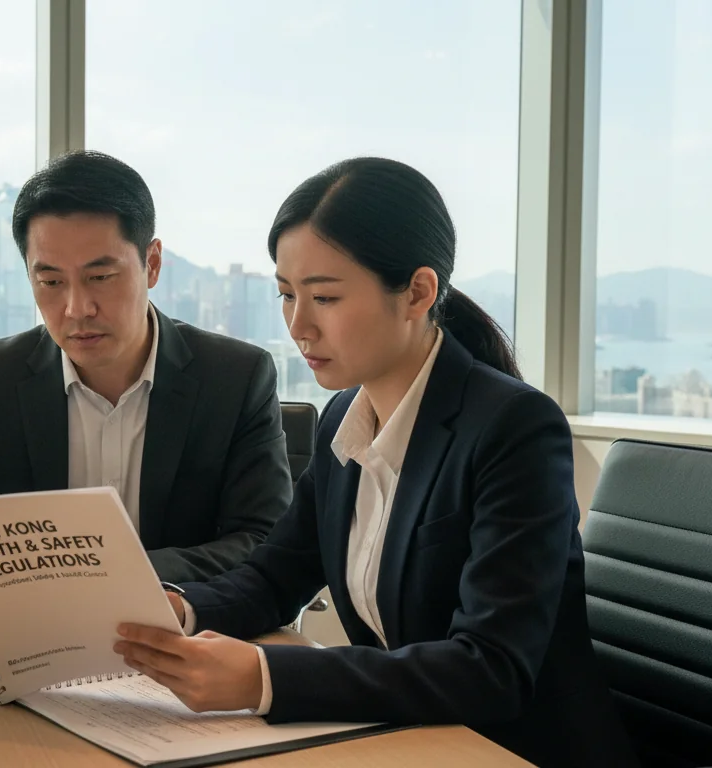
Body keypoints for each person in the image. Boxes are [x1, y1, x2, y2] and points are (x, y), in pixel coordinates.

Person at [112, 158, 639, 768]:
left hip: (509, 751)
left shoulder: (513, 429)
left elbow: (489, 668)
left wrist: (264, 677)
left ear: (418, 291)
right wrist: (177, 609)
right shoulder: (344, 418)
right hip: (405, 741)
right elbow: (275, 576)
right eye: (287, 295)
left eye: (326, 297)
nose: (299, 326)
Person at [0, 150, 294, 640]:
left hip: (180, 646)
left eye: (100, 277)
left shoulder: (235, 377)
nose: (76, 308)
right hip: (29, 650)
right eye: (50, 281)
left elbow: (263, 540)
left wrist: (112, 574)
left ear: (151, 263)